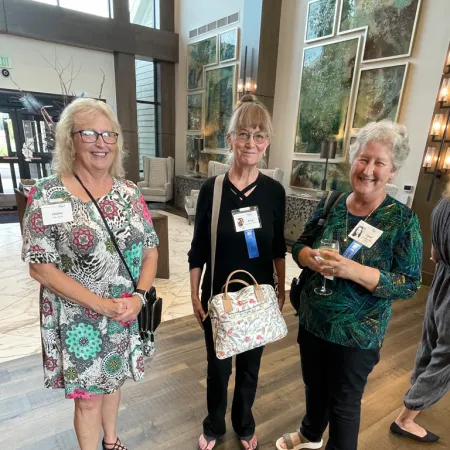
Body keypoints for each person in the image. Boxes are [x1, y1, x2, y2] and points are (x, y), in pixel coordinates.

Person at [21, 98, 159, 450]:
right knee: (88, 398)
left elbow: (150, 250)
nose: (101, 143)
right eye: (90, 133)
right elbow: (41, 267)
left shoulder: (129, 193)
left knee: (113, 381)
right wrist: (101, 305)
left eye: (108, 134)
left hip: (125, 311)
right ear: (70, 139)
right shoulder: (47, 194)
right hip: (77, 319)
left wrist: (139, 298)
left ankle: (111, 442)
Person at [276, 120, 422, 450]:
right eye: (363, 158)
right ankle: (311, 435)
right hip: (313, 322)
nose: (368, 169)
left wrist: (353, 270)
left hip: (358, 334)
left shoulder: (401, 220)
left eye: (379, 163)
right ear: (353, 159)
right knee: (314, 386)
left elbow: (409, 283)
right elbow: (299, 245)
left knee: (343, 406)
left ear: (393, 171)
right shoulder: (332, 202)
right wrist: (308, 256)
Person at [189, 94, 286, 450]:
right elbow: (197, 248)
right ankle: (214, 425)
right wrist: (193, 294)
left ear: (267, 143)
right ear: (230, 139)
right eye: (244, 134)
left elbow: (277, 247)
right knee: (218, 368)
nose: (251, 142)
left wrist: (281, 287)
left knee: (249, 369)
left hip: (258, 296)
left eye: (259, 135)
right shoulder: (211, 190)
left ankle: (244, 423)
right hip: (218, 296)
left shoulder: (275, 191)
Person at [390, 183, 450, 443]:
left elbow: (435, 255)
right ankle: (406, 418)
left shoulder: (444, 202)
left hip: (441, 280)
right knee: (446, 357)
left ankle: (417, 390)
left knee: (432, 341)